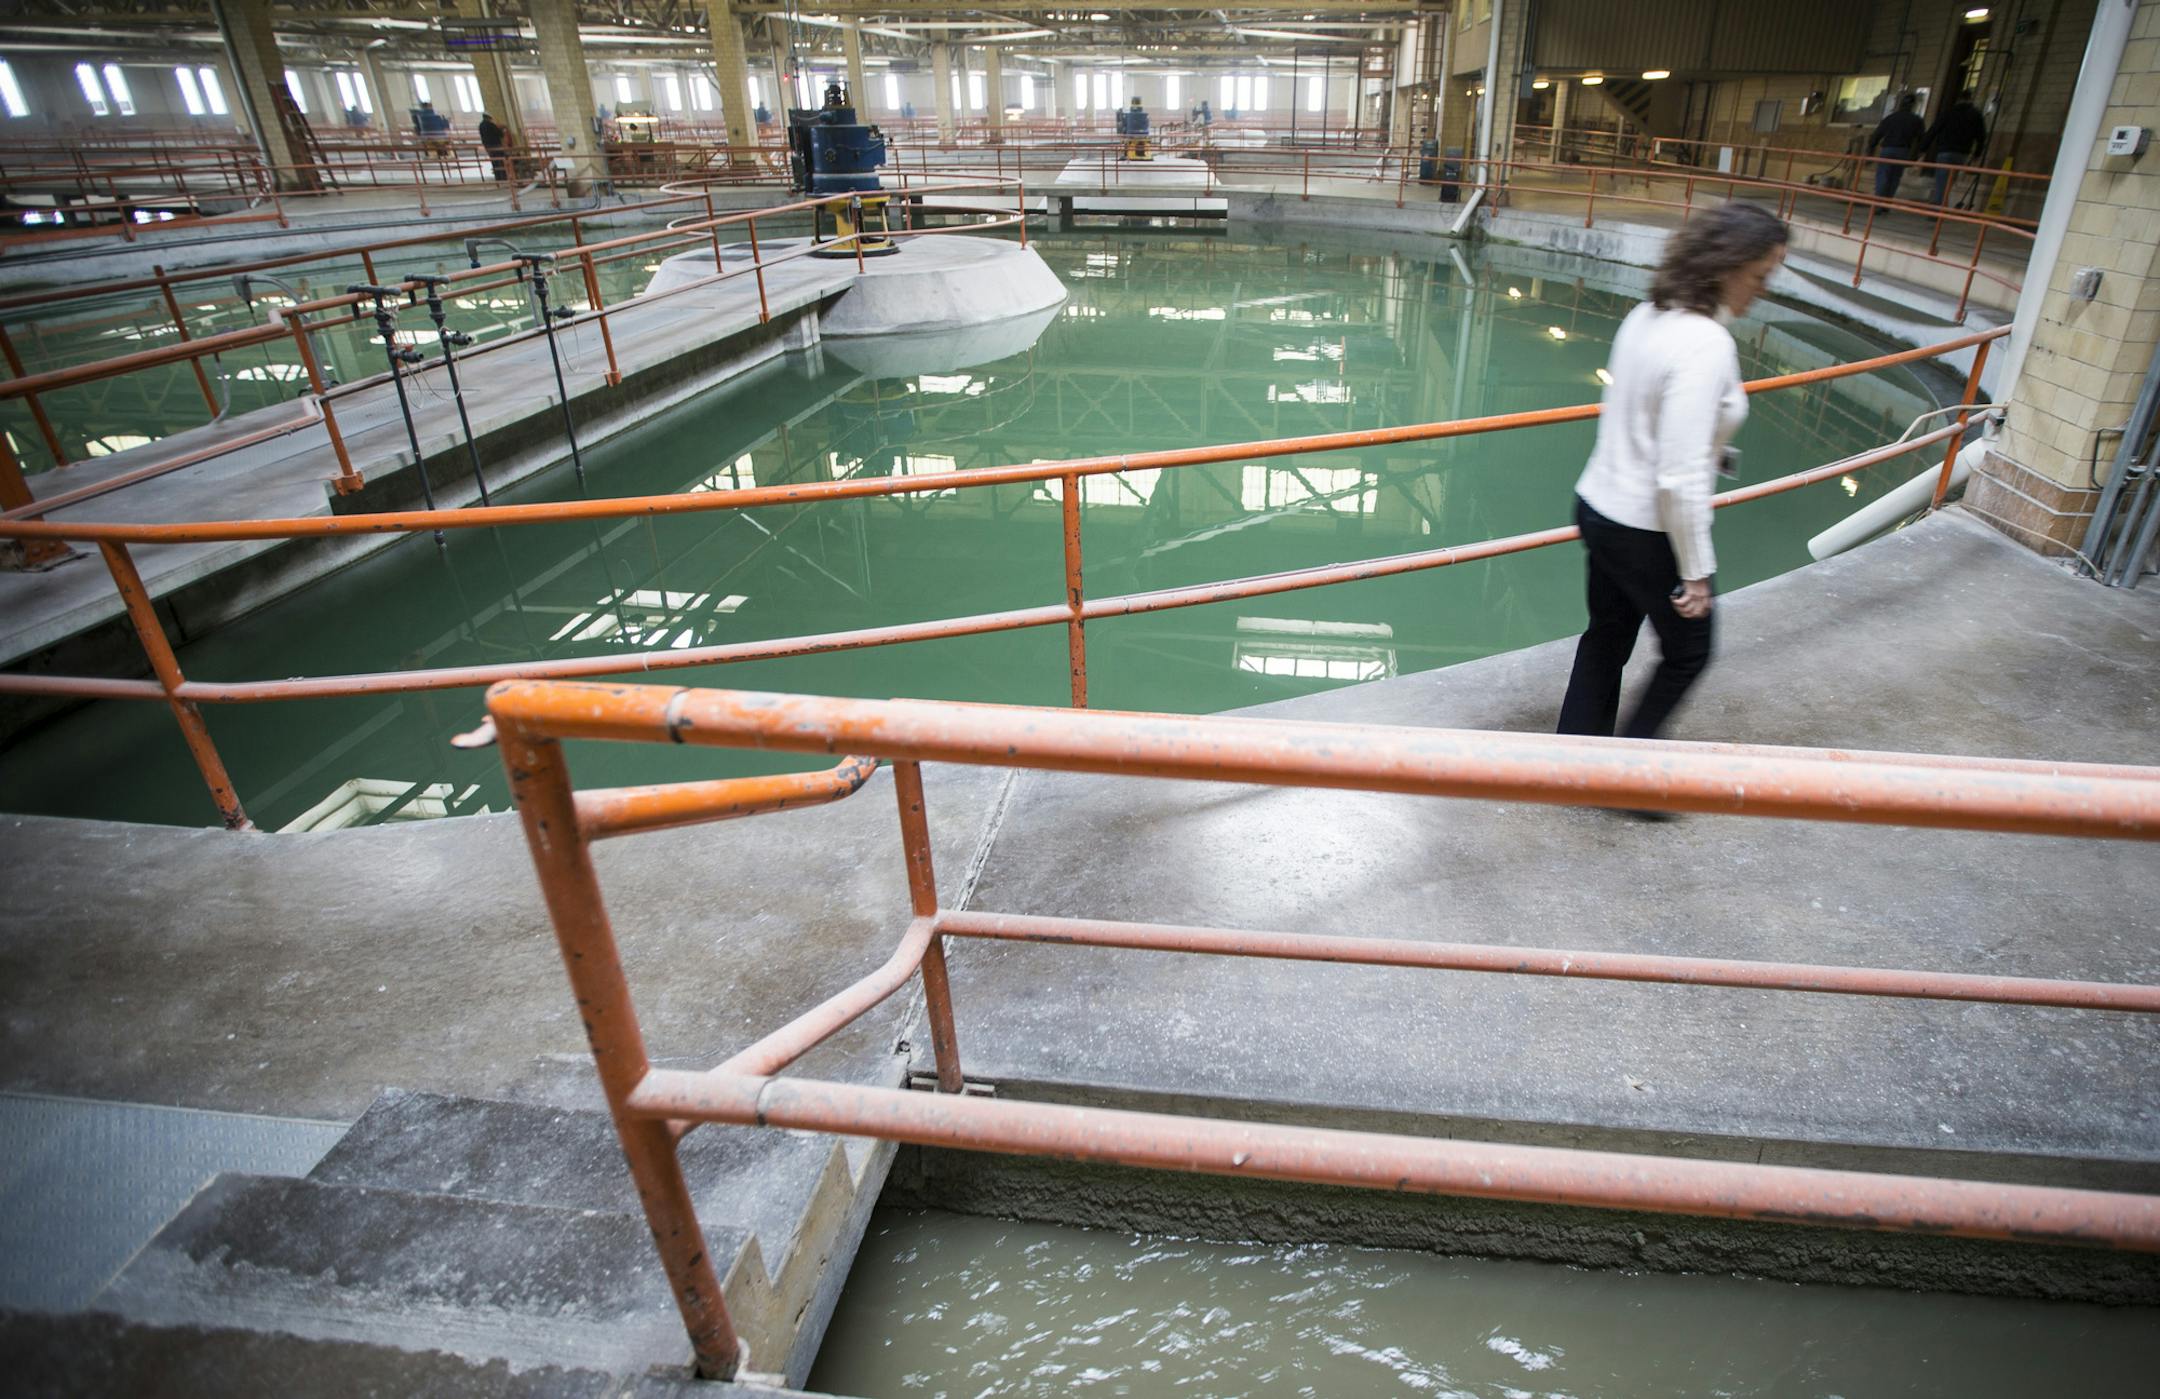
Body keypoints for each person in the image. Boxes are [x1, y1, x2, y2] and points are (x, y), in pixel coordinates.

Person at [1555, 203, 1790, 765]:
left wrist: (1712, 445)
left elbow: (1647, 419)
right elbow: (1678, 478)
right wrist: (1696, 573)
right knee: (1689, 652)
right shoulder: (1705, 343)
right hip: (1645, 527)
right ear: (1726, 265)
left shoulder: (1647, 314)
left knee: (1606, 637)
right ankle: (1630, 776)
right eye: (1759, 275)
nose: (1762, 291)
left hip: (1598, 507)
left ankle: (1571, 759)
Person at [1922, 95, 1986, 207]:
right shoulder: (1976, 115)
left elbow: (1934, 129)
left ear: (1958, 100)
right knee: (1950, 180)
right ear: (1970, 100)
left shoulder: (1948, 112)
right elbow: (1981, 136)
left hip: (1945, 150)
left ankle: (1939, 206)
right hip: (1962, 153)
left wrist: (1923, 148)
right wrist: (1977, 153)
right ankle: (1942, 203)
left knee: (1941, 180)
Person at [1867, 94, 1924, 201]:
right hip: (1903, 151)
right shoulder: (1916, 120)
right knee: (1895, 178)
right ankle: (1887, 202)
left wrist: (1870, 150)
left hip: (1887, 149)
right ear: (1913, 105)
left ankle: (1878, 202)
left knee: (1883, 176)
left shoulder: (1890, 118)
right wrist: (1916, 155)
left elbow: (1877, 135)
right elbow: (1921, 139)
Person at [477, 111, 508, 181]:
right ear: (489, 118)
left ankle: (498, 177)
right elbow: (500, 134)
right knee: (500, 161)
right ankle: (503, 177)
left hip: (488, 146)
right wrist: (503, 131)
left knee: (494, 161)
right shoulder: (491, 125)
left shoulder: (481, 125)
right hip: (496, 145)